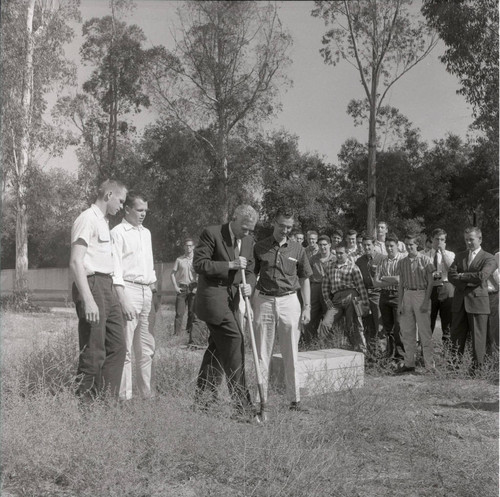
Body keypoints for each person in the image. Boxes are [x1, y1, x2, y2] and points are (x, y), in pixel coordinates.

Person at [193, 204, 258, 418]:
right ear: (234, 218)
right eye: (244, 228)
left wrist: (250, 284)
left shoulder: (248, 241)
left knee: (217, 349)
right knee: (235, 341)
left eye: (250, 230)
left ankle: (203, 401)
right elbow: (200, 264)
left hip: (232, 301)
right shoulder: (212, 233)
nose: (247, 233)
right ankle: (242, 407)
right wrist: (229, 265)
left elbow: (249, 270)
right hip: (213, 299)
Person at [69, 179, 127, 401]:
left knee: (118, 347)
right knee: (93, 350)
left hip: (107, 285)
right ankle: (85, 409)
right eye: (120, 201)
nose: (121, 206)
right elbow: (76, 262)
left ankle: (106, 404)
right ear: (109, 195)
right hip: (92, 285)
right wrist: (88, 299)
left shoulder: (104, 222)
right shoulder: (87, 219)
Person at [253, 208, 312, 412]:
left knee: (291, 352)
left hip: (289, 301)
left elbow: (304, 279)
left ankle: (294, 401)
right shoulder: (259, 247)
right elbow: (251, 277)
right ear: (274, 223)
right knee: (261, 352)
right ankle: (261, 401)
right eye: (281, 226)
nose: (285, 230)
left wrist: (307, 307)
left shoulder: (298, 249)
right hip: (264, 300)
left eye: (289, 227)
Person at [111, 192, 159, 401]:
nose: (143, 215)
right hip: (128, 290)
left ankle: (146, 394)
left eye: (145, 211)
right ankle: (124, 398)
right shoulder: (117, 232)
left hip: (147, 290)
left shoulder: (146, 233)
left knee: (146, 348)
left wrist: (153, 290)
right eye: (139, 210)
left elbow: (149, 264)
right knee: (126, 348)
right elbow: (115, 269)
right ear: (127, 209)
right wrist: (123, 299)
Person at [448, 227, 496, 370]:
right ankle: (453, 368)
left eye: (471, 239)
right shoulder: (459, 256)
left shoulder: (489, 257)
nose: (468, 242)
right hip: (460, 302)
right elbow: (451, 275)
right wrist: (468, 279)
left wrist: (462, 276)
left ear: (480, 239)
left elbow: (482, 276)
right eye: (466, 240)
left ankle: (477, 370)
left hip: (478, 302)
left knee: (478, 339)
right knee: (456, 336)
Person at [319, 241, 369, 353]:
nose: (339, 255)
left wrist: (365, 303)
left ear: (347, 253)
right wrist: (328, 300)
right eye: (337, 253)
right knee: (326, 323)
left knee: (352, 324)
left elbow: (360, 286)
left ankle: (359, 351)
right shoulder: (330, 267)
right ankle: (325, 350)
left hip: (350, 296)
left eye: (341, 253)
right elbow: (325, 286)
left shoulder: (353, 267)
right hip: (336, 299)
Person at [396, 233, 434, 373]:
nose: (409, 247)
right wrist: (400, 304)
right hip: (407, 294)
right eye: (406, 244)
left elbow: (431, 282)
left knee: (424, 332)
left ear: (417, 245)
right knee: (407, 331)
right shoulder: (402, 262)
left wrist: (425, 301)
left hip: (421, 293)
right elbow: (400, 285)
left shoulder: (425, 260)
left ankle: (429, 365)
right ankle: (409, 363)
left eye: (411, 244)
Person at [373, 233, 406, 364]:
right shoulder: (382, 260)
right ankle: (390, 356)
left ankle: (401, 357)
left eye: (392, 246)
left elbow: (400, 280)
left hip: (398, 296)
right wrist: (392, 280)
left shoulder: (403, 260)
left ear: (397, 246)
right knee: (388, 329)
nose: (389, 248)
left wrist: (384, 278)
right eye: (387, 246)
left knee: (399, 327)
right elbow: (375, 282)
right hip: (384, 296)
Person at [303, 234, 336, 345]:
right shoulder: (313, 259)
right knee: (311, 317)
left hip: (330, 289)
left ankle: (328, 344)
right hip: (315, 288)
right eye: (320, 245)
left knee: (328, 317)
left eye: (325, 245)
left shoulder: (335, 259)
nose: (323, 247)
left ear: (330, 245)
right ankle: (310, 343)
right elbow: (306, 274)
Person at [355, 236, 385, 354]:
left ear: (374, 245)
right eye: (364, 245)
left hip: (377, 294)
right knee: (367, 326)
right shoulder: (359, 261)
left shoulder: (382, 258)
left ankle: (383, 354)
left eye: (369, 245)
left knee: (380, 325)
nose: (366, 247)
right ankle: (371, 354)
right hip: (364, 295)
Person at [425, 229, 455, 344]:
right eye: (437, 239)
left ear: (445, 241)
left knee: (447, 323)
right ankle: (425, 354)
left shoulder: (450, 254)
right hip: (430, 289)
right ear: (432, 239)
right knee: (428, 322)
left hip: (446, 287)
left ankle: (447, 355)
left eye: (442, 239)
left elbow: (451, 269)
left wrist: (442, 252)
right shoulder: (424, 255)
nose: (439, 242)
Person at [171, 238, 199, 343]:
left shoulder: (197, 259)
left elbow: (201, 274)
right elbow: (172, 274)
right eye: (186, 245)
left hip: (193, 288)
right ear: (184, 247)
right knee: (179, 312)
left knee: (192, 313)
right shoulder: (179, 259)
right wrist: (175, 287)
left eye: (190, 245)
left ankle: (189, 334)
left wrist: (197, 286)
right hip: (182, 288)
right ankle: (176, 335)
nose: (188, 247)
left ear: (193, 247)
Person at [486, 252, 499, 354]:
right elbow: (489, 273)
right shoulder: (498, 255)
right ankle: (495, 355)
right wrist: (496, 285)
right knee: (496, 326)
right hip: (497, 295)